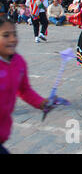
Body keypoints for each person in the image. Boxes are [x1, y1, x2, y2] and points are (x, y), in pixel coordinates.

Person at [0, 17, 50, 154]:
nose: (12, 39)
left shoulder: (19, 62)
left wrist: (41, 103)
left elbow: (24, 90)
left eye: (14, 34)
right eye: (5, 35)